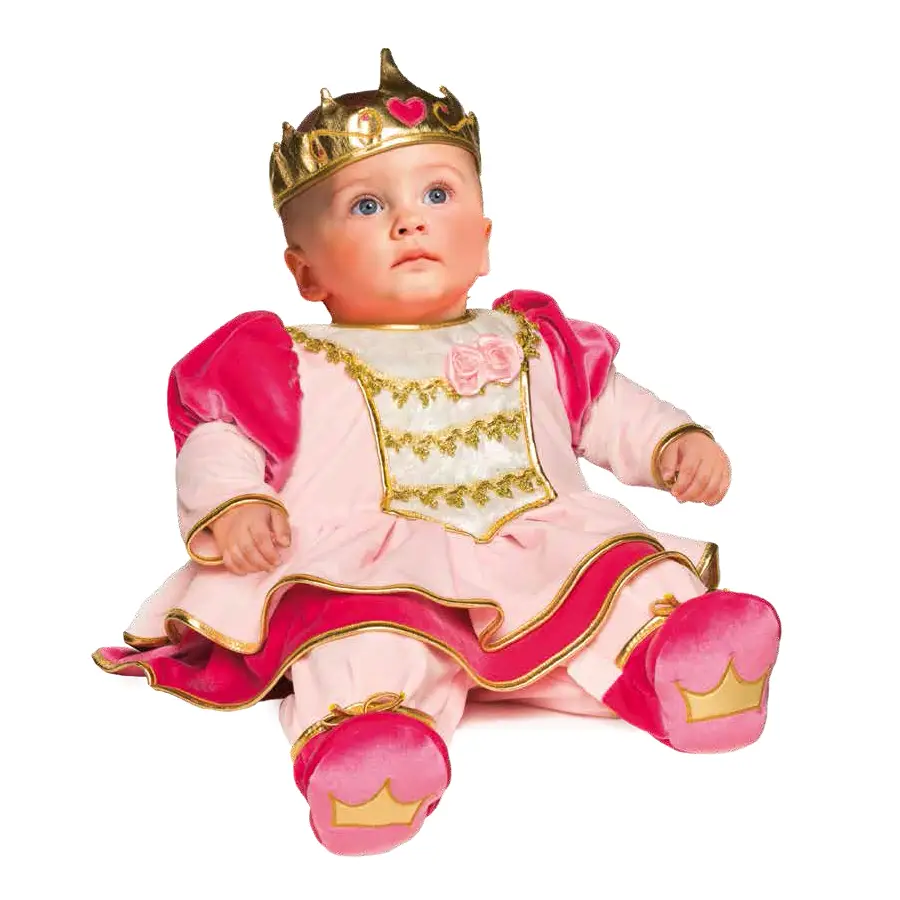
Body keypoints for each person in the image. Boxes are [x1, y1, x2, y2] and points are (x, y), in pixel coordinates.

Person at [92, 49, 781, 857]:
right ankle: (369, 748)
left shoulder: (531, 340)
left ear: (483, 241)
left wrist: (673, 442)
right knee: (360, 636)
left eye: (438, 194)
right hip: (370, 565)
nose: (409, 221)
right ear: (305, 272)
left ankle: (678, 666)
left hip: (541, 554)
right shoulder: (288, 361)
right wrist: (234, 503)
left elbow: (606, 407)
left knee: (629, 571)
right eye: (367, 205)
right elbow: (220, 438)